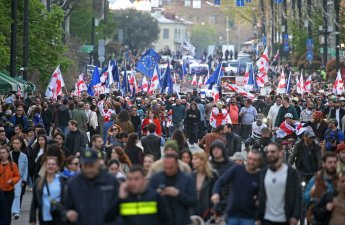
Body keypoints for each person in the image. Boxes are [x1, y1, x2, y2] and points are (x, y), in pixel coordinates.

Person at [62, 150, 119, 225]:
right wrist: (67, 213)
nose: (89, 169)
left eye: (91, 165)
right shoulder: (73, 184)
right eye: (86, 165)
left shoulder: (111, 182)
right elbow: (65, 206)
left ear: (98, 163)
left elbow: (119, 208)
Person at [256, 142, 301, 225]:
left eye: (273, 152)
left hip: (285, 219)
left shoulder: (291, 173)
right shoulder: (263, 172)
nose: (269, 154)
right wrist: (258, 217)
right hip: (266, 219)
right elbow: (261, 195)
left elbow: (297, 195)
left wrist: (295, 216)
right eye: (268, 152)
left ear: (280, 153)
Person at [211, 150, 261, 225]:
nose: (251, 161)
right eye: (250, 158)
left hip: (249, 216)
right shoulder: (237, 169)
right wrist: (215, 193)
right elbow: (220, 181)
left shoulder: (260, 176)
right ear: (247, 159)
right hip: (232, 214)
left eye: (254, 160)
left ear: (259, 162)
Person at [149, 154, 197, 225]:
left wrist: (178, 194)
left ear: (177, 165)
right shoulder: (156, 178)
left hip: (181, 220)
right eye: (166, 167)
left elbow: (193, 201)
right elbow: (148, 200)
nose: (168, 170)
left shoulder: (187, 179)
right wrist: (157, 195)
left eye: (171, 168)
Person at [29, 157, 66, 225]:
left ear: (57, 167)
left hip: (59, 216)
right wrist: (32, 219)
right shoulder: (39, 182)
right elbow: (34, 202)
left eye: (53, 164)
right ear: (45, 166)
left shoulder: (62, 180)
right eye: (48, 164)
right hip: (44, 217)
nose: (50, 166)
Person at [304, 152, 338, 224]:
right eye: (330, 162)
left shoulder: (340, 180)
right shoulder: (316, 179)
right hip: (318, 220)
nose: (333, 165)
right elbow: (305, 199)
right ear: (324, 164)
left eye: (335, 162)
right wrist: (311, 192)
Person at [192, 151, 217, 217]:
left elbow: (217, 192)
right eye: (192, 159)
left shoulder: (212, 175)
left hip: (208, 212)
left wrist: (215, 209)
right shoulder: (192, 175)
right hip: (194, 211)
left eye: (195, 159)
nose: (192, 161)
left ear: (202, 161)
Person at [0, 146, 20, 225]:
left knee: (7, 210)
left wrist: (12, 180)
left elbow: (17, 176)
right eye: (0, 153)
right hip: (0, 191)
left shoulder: (13, 165)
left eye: (4, 153)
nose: (2, 155)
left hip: (9, 191)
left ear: (8, 154)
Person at [10, 136, 28, 220]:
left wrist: (24, 180)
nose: (15, 145)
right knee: (9, 194)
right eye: (14, 143)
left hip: (19, 177)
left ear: (21, 144)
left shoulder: (24, 156)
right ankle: (9, 209)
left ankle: (16, 211)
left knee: (17, 194)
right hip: (9, 177)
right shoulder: (9, 154)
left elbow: (26, 169)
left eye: (17, 143)